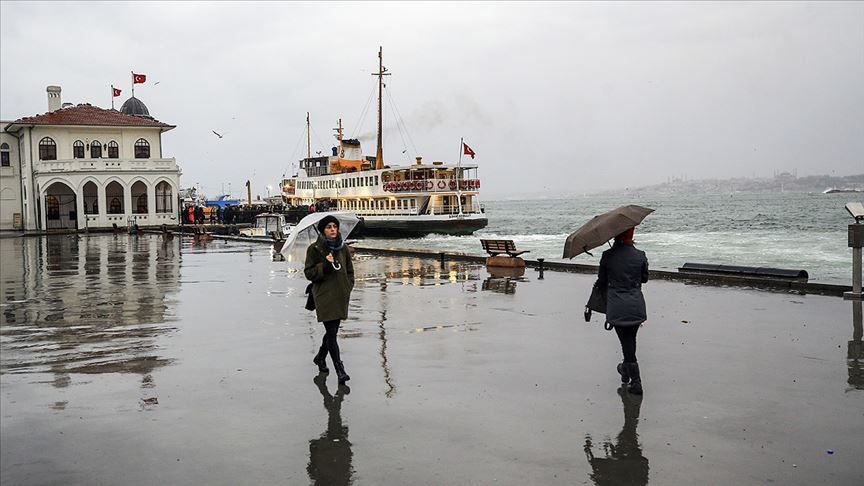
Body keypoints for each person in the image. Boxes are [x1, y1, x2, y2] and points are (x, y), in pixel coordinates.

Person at [597, 226, 649, 395]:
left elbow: (602, 281)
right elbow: (644, 279)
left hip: (617, 306)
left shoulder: (607, 256)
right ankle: (625, 372)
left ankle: (636, 382)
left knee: (627, 344)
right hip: (636, 306)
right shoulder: (640, 255)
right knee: (629, 341)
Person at [305, 215, 355, 384]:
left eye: (334, 226)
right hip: (324, 296)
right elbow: (309, 273)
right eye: (329, 227)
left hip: (340, 294)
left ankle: (320, 357)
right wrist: (324, 266)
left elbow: (350, 271)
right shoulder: (314, 249)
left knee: (331, 331)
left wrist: (348, 287)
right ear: (323, 230)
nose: (333, 229)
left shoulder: (343, 248)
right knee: (332, 333)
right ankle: (340, 370)